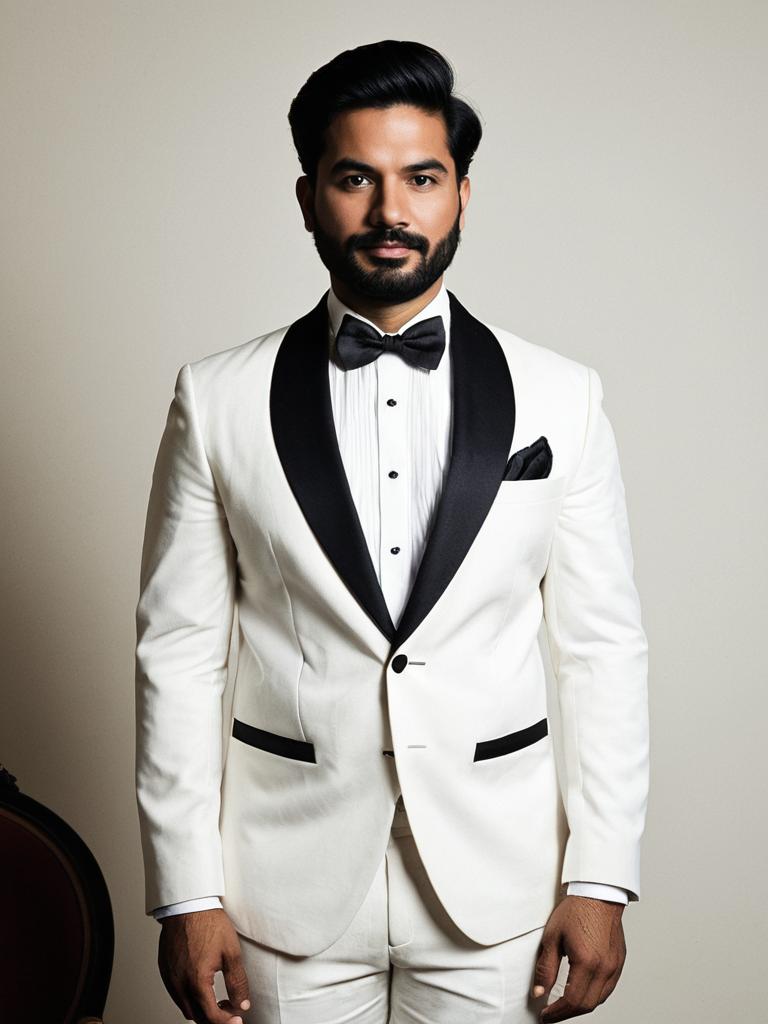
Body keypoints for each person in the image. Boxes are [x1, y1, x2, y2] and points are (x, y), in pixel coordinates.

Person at [134, 38, 649, 1024]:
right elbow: (180, 654)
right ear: (307, 198)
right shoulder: (217, 399)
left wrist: (603, 875)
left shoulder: (563, 397)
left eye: (422, 177)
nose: (390, 211)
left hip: (500, 889)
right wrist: (187, 892)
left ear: (462, 193)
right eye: (354, 179)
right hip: (278, 888)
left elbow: (601, 651)